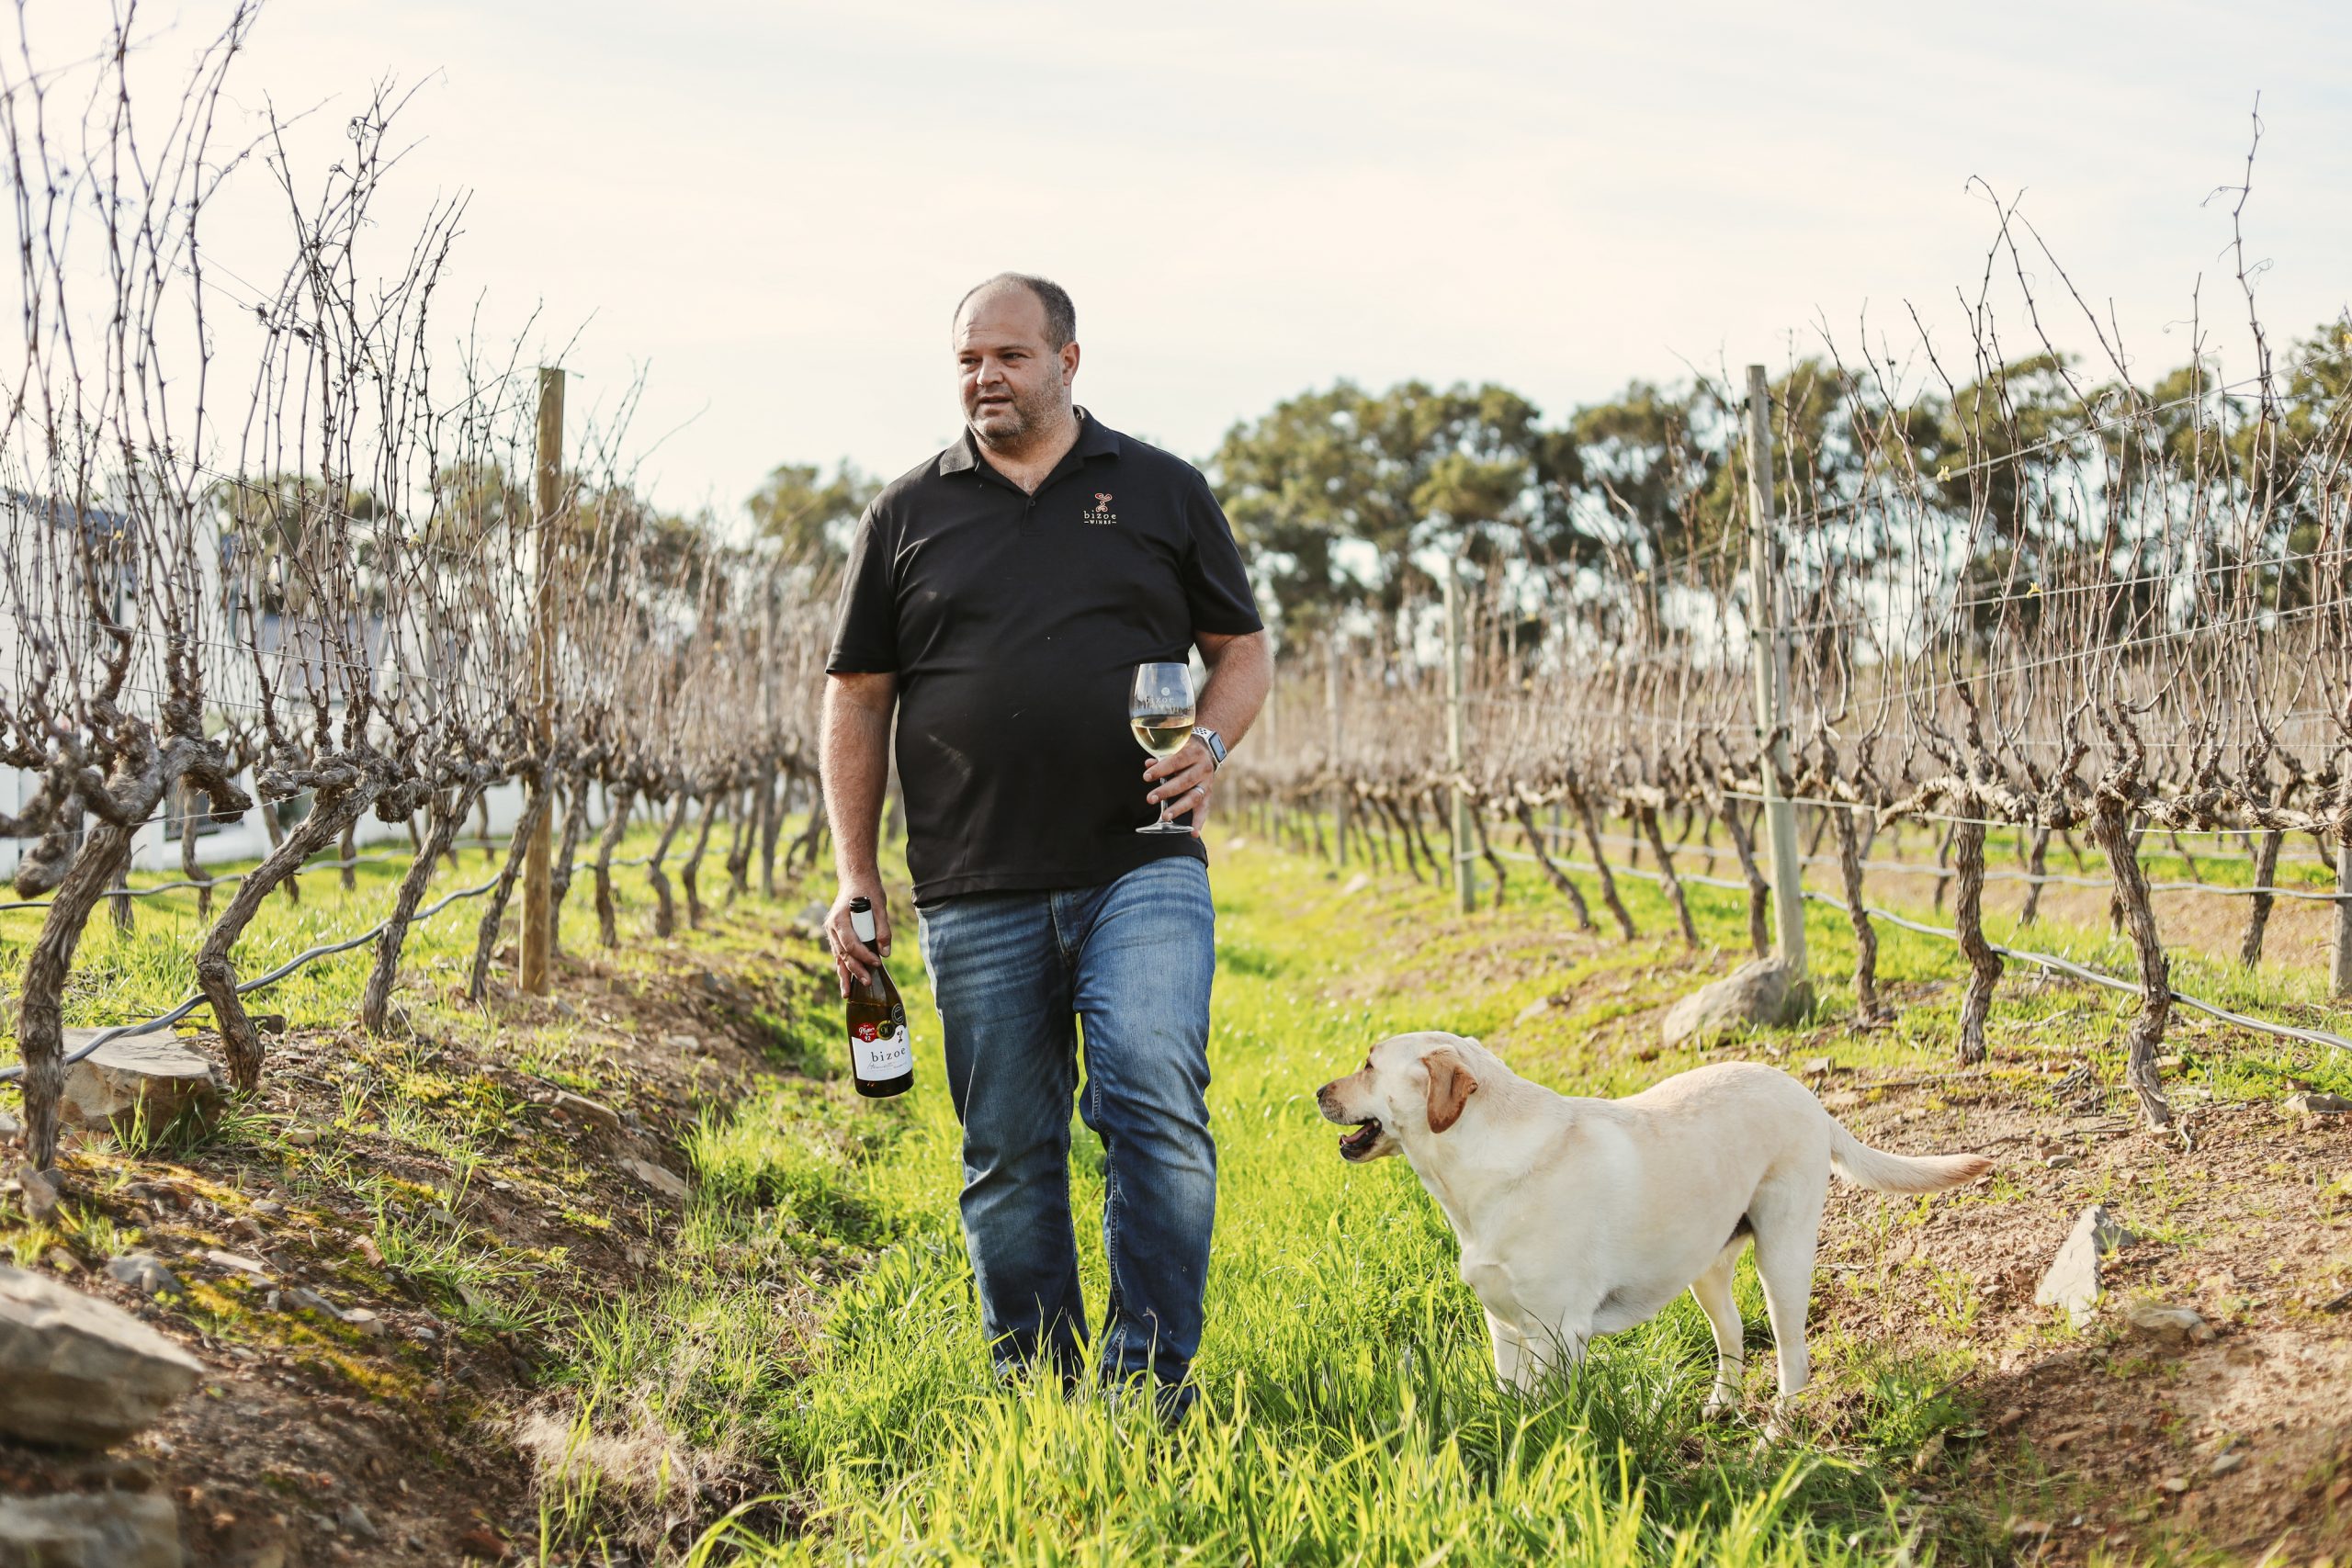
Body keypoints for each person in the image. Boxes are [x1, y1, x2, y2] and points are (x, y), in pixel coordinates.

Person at [820, 272, 1272, 1416]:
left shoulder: (1161, 490)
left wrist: (1210, 749)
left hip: (1142, 859)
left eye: (1009, 356)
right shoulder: (907, 513)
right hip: (973, 883)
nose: (985, 377)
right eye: (968, 359)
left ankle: (1147, 1387)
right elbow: (860, 696)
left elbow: (1243, 649)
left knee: (1154, 1106)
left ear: (1069, 361)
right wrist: (857, 874)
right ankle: (1036, 1389)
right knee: (1009, 1151)